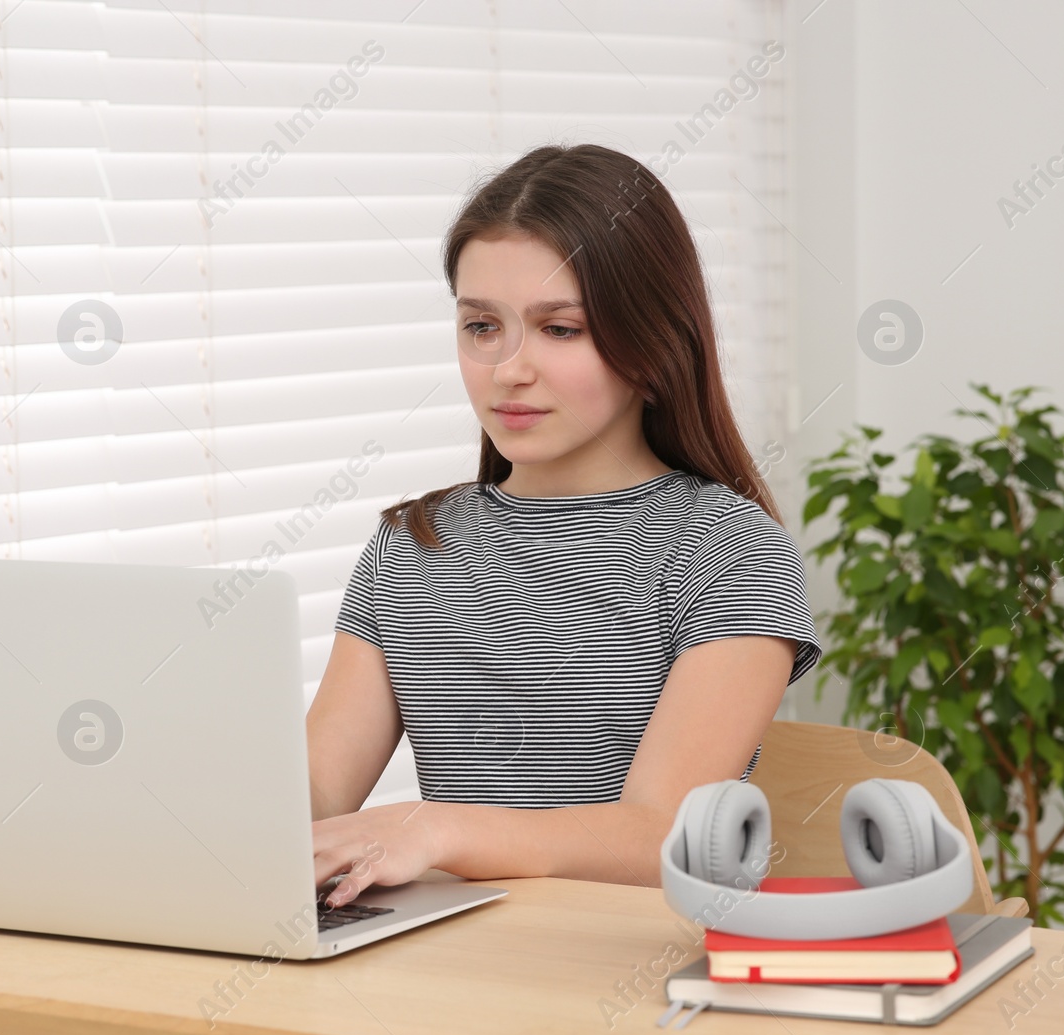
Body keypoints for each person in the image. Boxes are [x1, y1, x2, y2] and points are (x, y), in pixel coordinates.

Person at [307, 144, 820, 908]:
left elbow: (664, 835)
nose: (509, 368)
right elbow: (317, 790)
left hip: (629, 978)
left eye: (560, 329)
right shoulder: (412, 544)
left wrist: (439, 829)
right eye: (483, 326)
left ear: (652, 341)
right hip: (448, 969)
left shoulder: (728, 551)